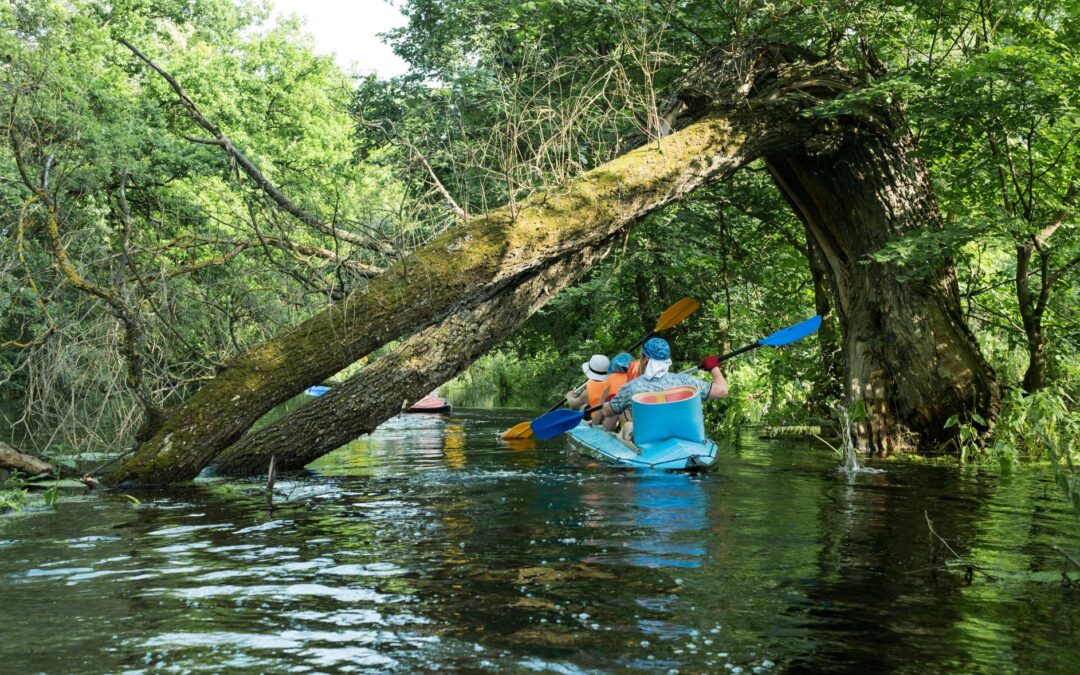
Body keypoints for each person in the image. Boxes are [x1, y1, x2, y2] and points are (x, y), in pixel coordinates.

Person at [601, 337, 728, 441]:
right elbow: (722, 391)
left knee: (628, 426)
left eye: (641, 357)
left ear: (645, 360)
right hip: (684, 438)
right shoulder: (685, 381)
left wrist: (611, 401)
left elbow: (607, 412)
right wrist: (713, 367)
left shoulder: (632, 387)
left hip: (648, 441)